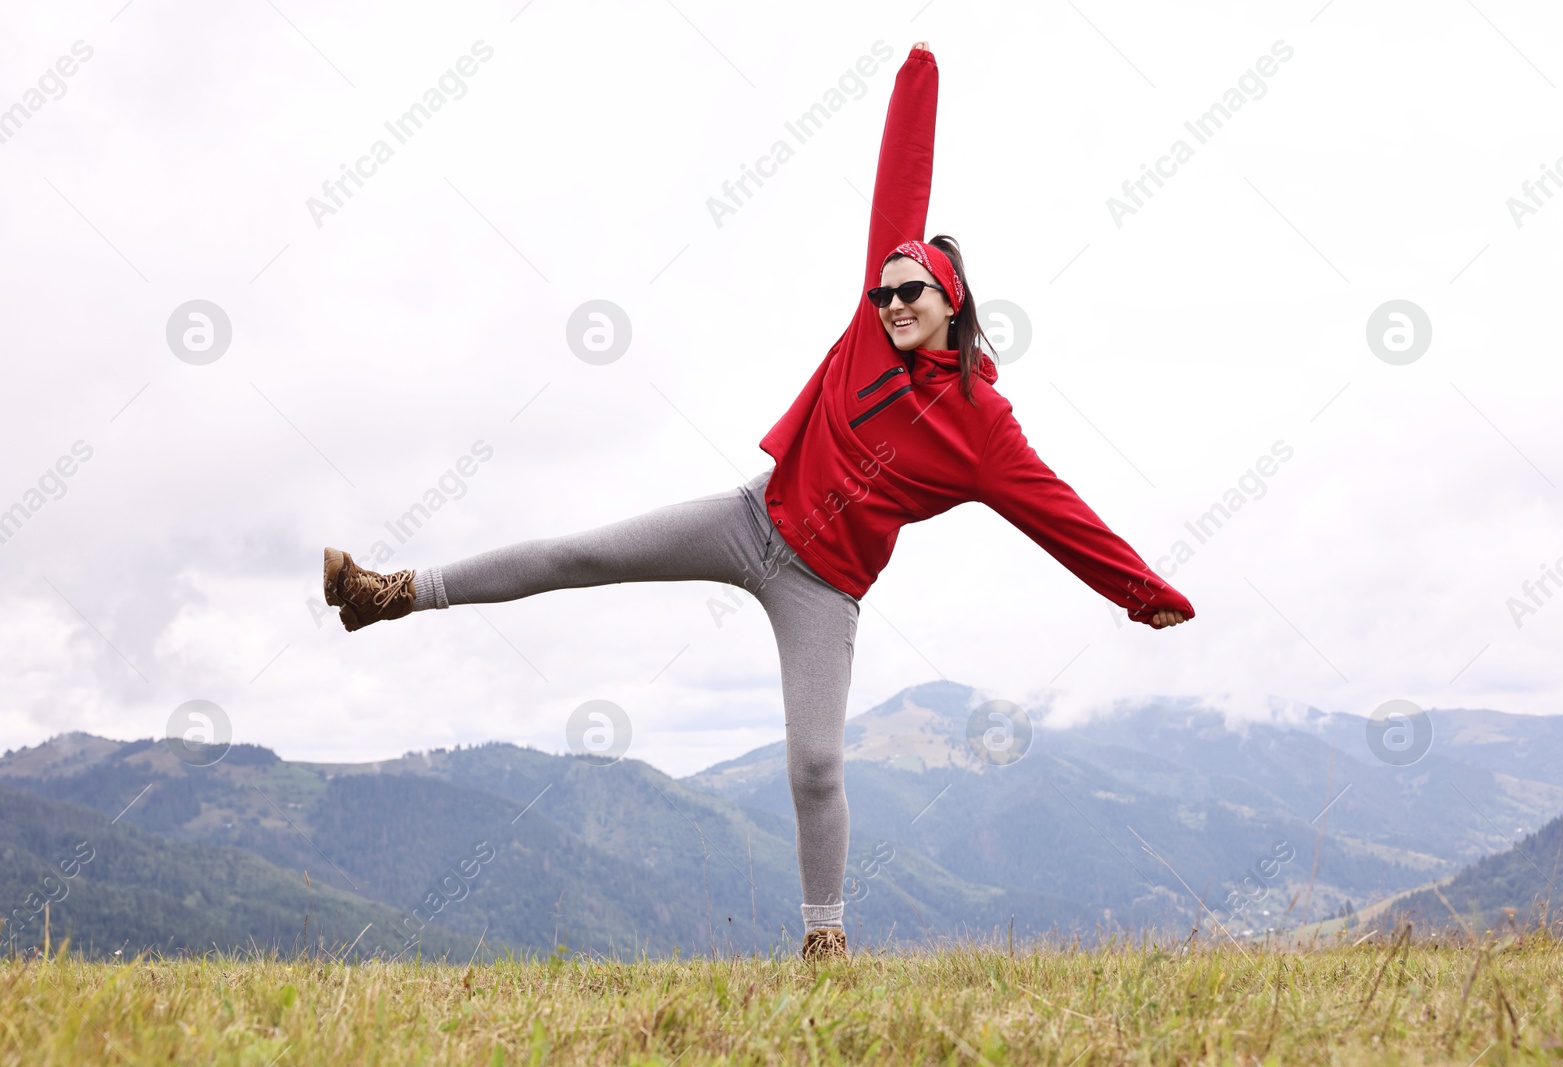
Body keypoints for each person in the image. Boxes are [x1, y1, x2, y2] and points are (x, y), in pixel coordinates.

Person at [322, 41, 1193, 962]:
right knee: (580, 554)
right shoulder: (868, 327)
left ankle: (825, 944)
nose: (892, 302)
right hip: (750, 518)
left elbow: (1060, 513)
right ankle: (392, 592)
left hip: (821, 587)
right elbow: (898, 181)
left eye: (912, 292)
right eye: (885, 289)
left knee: (815, 764)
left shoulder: (984, 428)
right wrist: (918, 77)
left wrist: (1143, 593)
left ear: (951, 303)